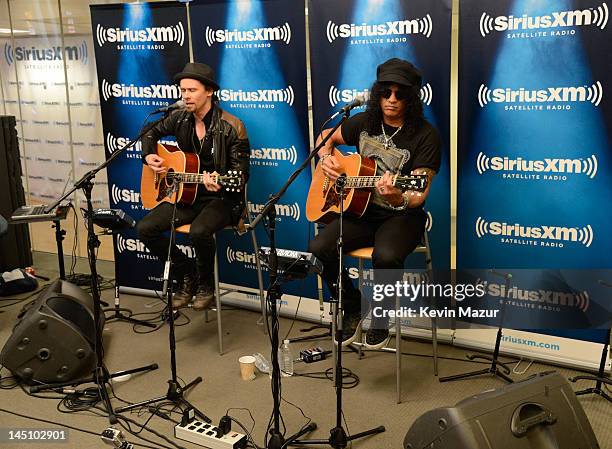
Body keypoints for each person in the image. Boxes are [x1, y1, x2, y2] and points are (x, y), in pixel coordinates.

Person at [308, 58, 441, 349]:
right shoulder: (364, 123)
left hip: (402, 215)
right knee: (319, 247)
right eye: (385, 92)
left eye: (400, 94)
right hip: (361, 211)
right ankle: (351, 303)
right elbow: (323, 139)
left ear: (412, 98)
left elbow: (418, 194)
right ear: (377, 93)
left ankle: (381, 315)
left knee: (387, 256)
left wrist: (397, 194)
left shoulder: (425, 135)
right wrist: (327, 160)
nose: (391, 100)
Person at [137, 62, 250, 311]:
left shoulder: (232, 126)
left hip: (223, 200)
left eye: (192, 90)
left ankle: (206, 284)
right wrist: (148, 156)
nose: (185, 96)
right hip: (187, 196)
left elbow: (240, 177)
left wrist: (219, 181)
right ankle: (186, 272)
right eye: (183, 90)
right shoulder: (180, 118)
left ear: (209, 91)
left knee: (199, 231)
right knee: (145, 228)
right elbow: (148, 132)